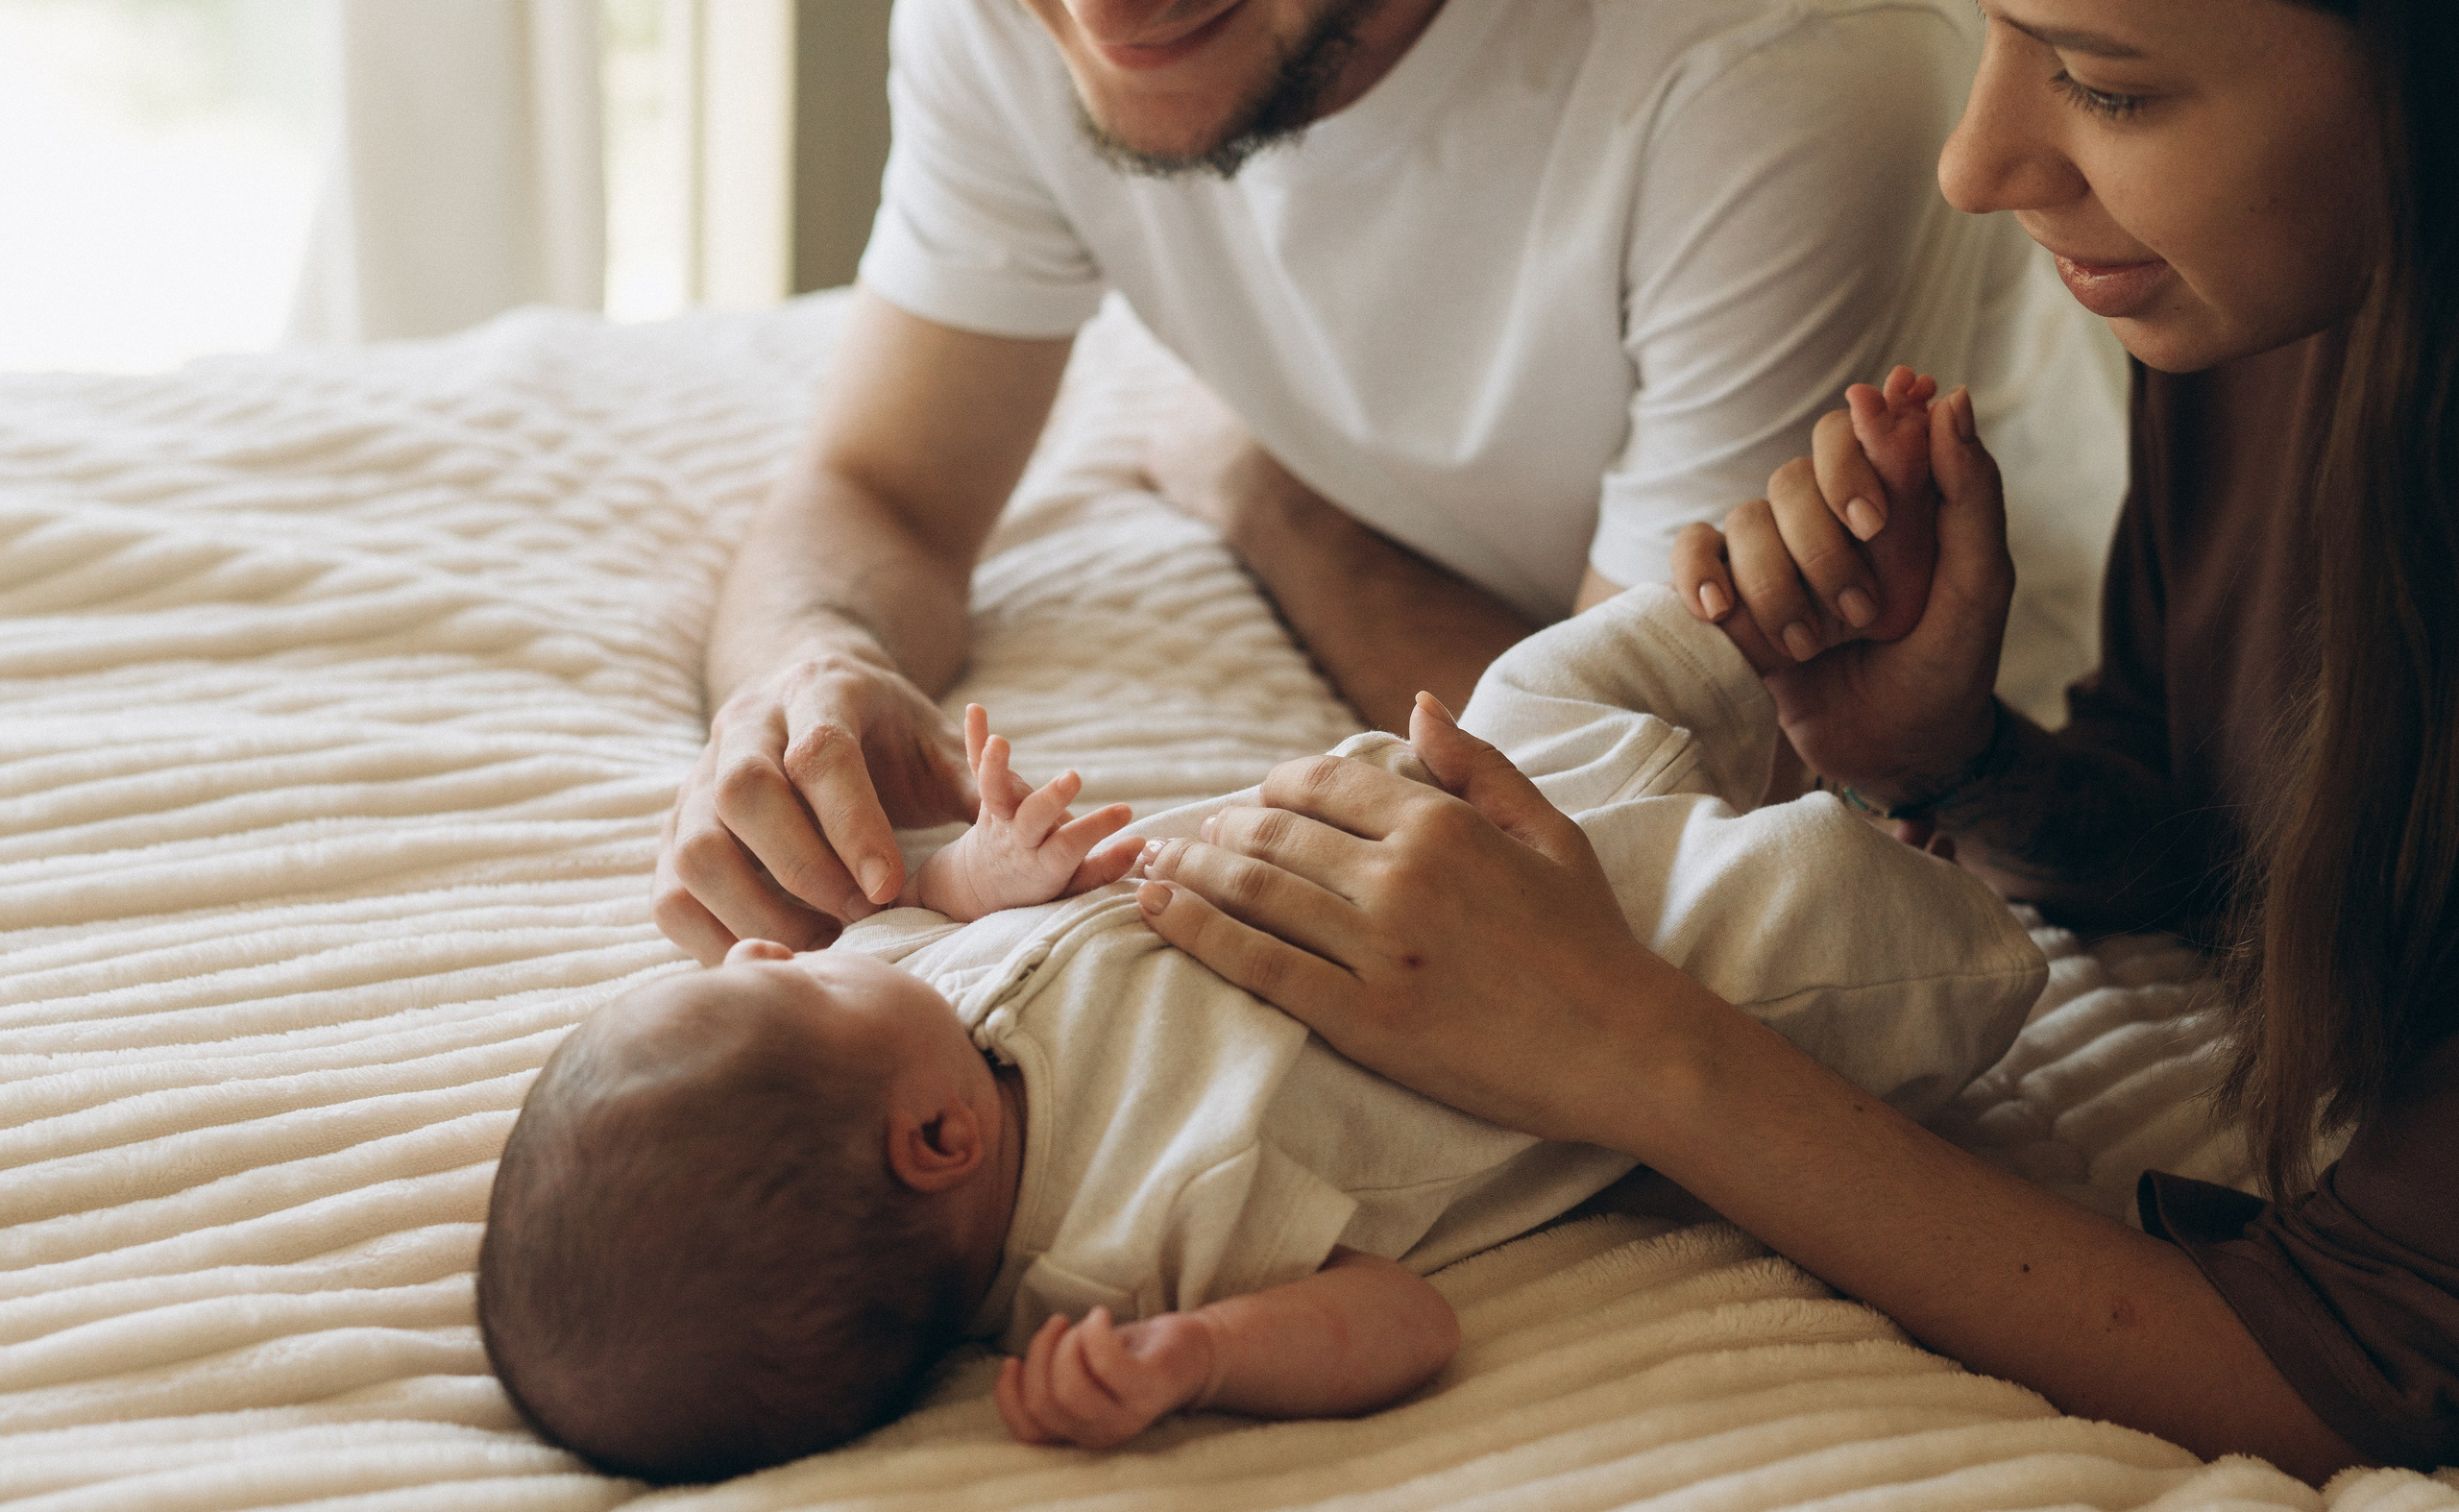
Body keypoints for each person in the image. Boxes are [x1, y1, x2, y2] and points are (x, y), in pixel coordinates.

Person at [1131, 0, 2457, 1481]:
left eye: (2102, 87)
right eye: (1998, 36)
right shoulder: (2272, 306)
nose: (1972, 162)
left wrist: (1624, 1040)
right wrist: (1938, 757)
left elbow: (2356, 1366)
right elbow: (2198, 834)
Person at [482, 557, 2045, 1482]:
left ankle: (1798, 619)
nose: (773, 953)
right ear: (938, 1141)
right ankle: (1935, 820)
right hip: (1640, 949)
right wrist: (1198, 1355)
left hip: (1462, 782)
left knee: (1567, 667)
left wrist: (981, 871)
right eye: (778, 988)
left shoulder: (923, 1016)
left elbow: (943, 909)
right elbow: (1401, 1321)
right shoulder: (1129, 1241)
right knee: (1841, 934)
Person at [650, 0, 2129, 968]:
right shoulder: (1016, 21)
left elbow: (1621, 815)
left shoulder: (1777, 70)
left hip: (2041, 779)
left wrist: (1280, 508)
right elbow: (879, 492)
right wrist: (806, 670)